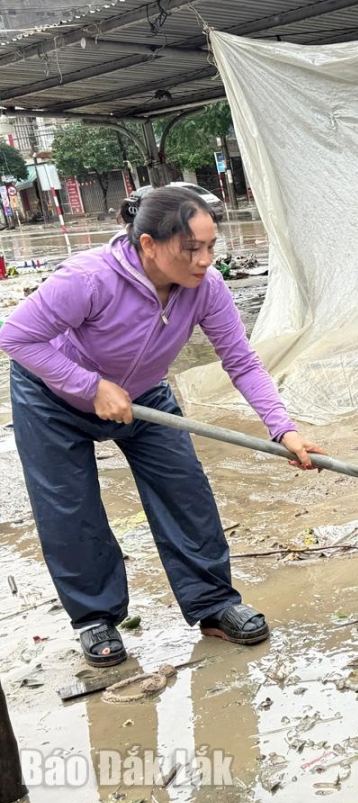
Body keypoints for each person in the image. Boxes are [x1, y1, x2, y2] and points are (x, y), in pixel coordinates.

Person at [0, 186, 325, 668]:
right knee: (70, 507)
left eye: (212, 247)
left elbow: (241, 361)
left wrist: (284, 429)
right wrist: (89, 385)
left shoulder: (206, 289)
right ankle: (95, 618)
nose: (205, 261)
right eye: (191, 249)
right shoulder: (88, 279)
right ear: (149, 244)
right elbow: (16, 336)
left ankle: (214, 605)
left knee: (185, 492)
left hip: (144, 397)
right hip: (53, 395)